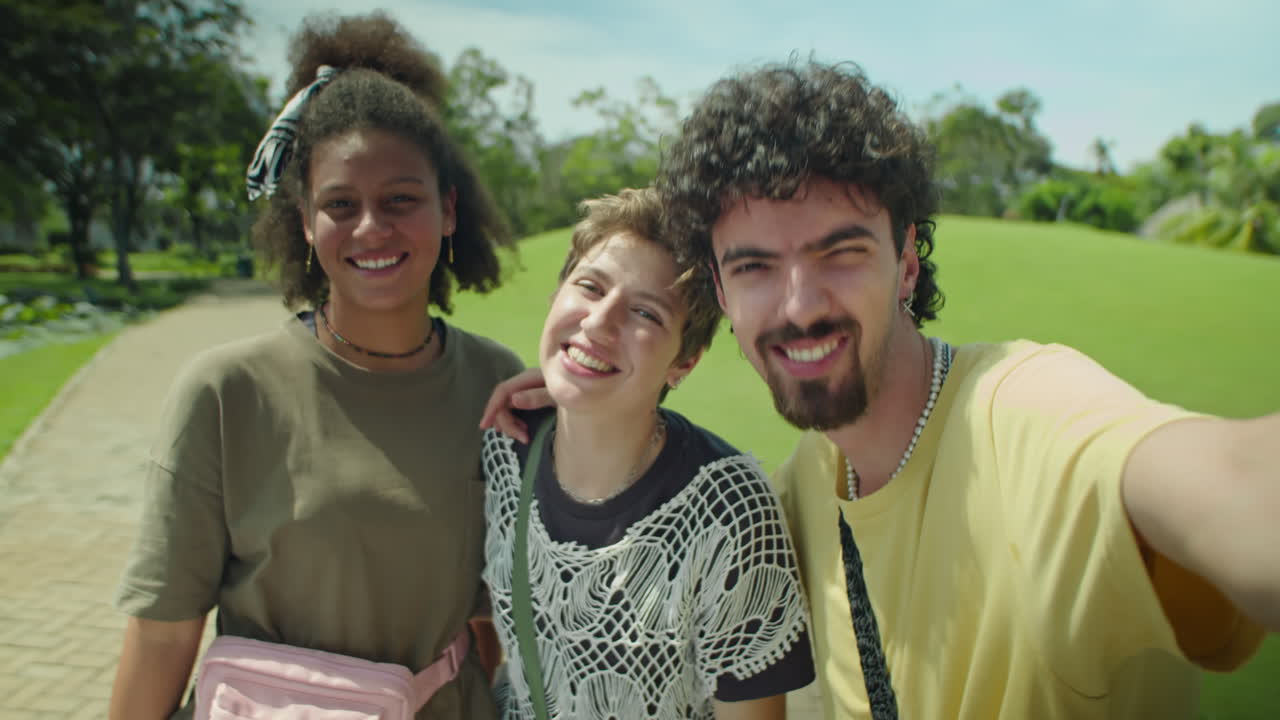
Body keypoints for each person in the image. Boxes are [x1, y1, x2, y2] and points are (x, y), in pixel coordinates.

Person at [648, 60, 1278, 718]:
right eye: (755, 267)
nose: (801, 306)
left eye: (841, 252)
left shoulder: (1027, 413)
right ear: (722, 292)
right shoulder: (789, 506)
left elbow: (1236, 478)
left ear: (906, 264)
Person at [109, 13, 522, 720]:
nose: (372, 228)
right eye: (340, 205)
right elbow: (161, 632)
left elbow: (491, 623)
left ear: (447, 210)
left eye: (401, 200)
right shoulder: (225, 391)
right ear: (304, 220)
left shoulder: (495, 385)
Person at [479, 188, 815, 720]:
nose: (598, 322)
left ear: (685, 362)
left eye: (645, 312)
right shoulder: (504, 444)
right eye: (589, 286)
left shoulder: (729, 510)